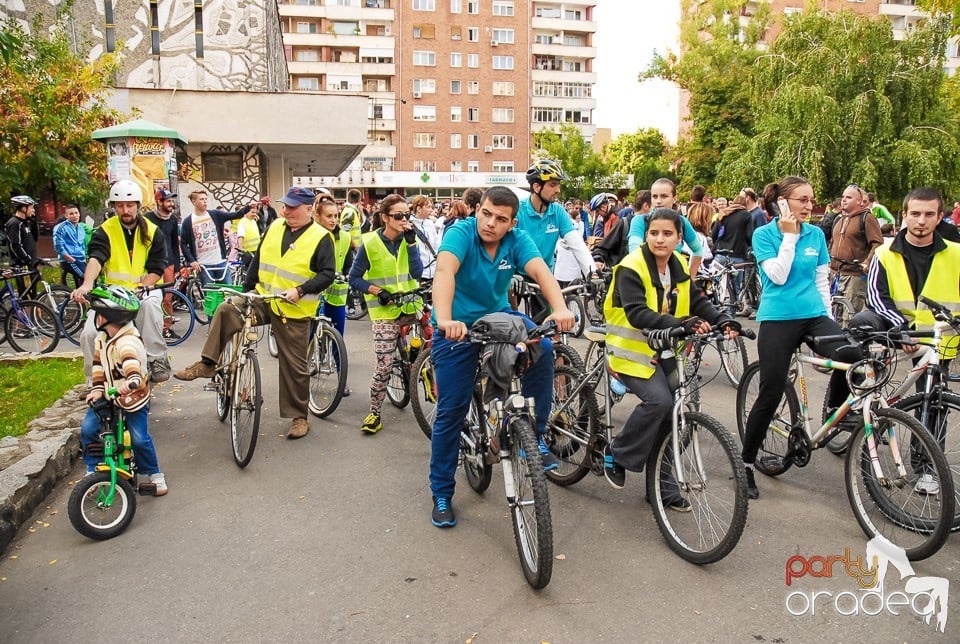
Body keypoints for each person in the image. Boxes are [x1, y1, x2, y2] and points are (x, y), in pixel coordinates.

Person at [428, 186, 575, 527]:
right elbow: (445, 271)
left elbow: (541, 271)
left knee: (544, 348)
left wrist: (560, 308)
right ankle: (441, 493)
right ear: (477, 210)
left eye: (501, 219)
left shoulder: (517, 239)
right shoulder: (461, 232)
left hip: (498, 317)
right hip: (457, 328)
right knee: (452, 409)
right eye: (486, 214)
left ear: (512, 223)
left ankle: (533, 438)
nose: (491, 223)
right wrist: (446, 318)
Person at [174, 186, 335, 439]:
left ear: (308, 209)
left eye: (293, 207)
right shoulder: (274, 227)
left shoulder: (321, 236)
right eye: (286, 206)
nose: (287, 210)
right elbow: (259, 259)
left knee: (295, 365)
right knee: (227, 309)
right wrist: (246, 289)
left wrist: (301, 289)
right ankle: (208, 364)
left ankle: (299, 417)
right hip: (262, 297)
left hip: (293, 307)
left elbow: (327, 274)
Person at [603, 208, 740, 503]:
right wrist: (681, 323)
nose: (660, 239)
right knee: (660, 402)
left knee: (673, 415)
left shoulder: (677, 263)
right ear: (646, 235)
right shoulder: (632, 265)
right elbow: (637, 313)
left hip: (662, 347)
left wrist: (722, 320)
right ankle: (617, 452)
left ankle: (663, 488)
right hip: (630, 351)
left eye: (667, 234)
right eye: (654, 233)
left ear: (680, 238)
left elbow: (696, 298)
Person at [740, 176, 861, 500]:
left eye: (811, 200)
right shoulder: (765, 234)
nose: (810, 206)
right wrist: (790, 238)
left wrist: (830, 322)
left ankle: (834, 411)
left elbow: (822, 281)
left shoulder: (817, 234)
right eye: (802, 200)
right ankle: (747, 463)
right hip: (778, 318)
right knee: (770, 392)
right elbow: (776, 276)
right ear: (783, 203)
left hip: (813, 314)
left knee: (852, 354)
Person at [849, 187, 960, 495]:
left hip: (938, 338)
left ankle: (926, 469)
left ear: (940, 218)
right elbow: (876, 297)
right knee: (858, 325)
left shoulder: (957, 254)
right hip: (897, 329)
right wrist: (902, 327)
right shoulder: (885, 252)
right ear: (904, 215)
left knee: (933, 401)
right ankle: (847, 395)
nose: (921, 221)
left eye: (928, 215)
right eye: (915, 214)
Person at [72, 180, 171, 385]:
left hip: (143, 290)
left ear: (138, 205)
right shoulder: (105, 231)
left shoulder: (153, 232)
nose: (125, 210)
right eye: (119, 206)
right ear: (114, 207)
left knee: (150, 307)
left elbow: (157, 267)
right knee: (89, 333)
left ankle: (156, 358)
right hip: (112, 293)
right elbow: (96, 258)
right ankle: (94, 381)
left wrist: (145, 285)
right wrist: (87, 284)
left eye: (129, 205)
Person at [79, 285, 167, 495]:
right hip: (110, 395)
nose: (96, 318)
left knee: (138, 437)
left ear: (108, 317)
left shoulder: (127, 341)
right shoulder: (102, 339)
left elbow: (131, 364)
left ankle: (154, 474)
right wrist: (97, 389)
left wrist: (132, 381)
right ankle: (92, 468)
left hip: (132, 397)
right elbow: (99, 366)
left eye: (98, 314)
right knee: (88, 429)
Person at [348, 195, 424, 434]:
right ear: (384, 218)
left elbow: (417, 272)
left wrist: (412, 244)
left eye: (407, 215)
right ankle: (374, 412)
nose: (404, 220)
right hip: (384, 310)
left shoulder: (410, 240)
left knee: (438, 346)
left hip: (411, 304)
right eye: (398, 216)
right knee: (385, 365)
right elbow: (354, 278)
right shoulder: (369, 243)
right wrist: (376, 290)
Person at [517, 160, 599, 318]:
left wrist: (592, 272)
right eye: (553, 185)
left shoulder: (557, 212)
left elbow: (576, 243)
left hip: (542, 275)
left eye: (558, 185)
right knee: (507, 319)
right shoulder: (518, 210)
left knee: (548, 326)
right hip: (516, 274)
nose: (558, 190)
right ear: (536, 187)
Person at [312, 193, 353, 396]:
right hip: (313, 294)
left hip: (337, 294)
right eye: (329, 216)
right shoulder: (310, 235)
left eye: (336, 216)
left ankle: (341, 379)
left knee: (338, 339)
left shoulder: (344, 237)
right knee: (309, 335)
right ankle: (304, 374)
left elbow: (348, 262)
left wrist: (347, 274)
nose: (333, 220)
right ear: (317, 216)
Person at [628, 178, 706, 276]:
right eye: (655, 197)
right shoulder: (640, 221)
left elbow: (698, 250)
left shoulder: (681, 222)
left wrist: (690, 279)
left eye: (664, 196)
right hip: (644, 281)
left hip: (673, 283)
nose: (658, 201)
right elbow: (634, 250)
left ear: (674, 198)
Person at [180, 189, 256, 286]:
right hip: (204, 265)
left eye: (206, 199)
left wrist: (248, 207)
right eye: (202, 199)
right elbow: (183, 243)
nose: (205, 201)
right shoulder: (188, 221)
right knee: (210, 295)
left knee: (228, 292)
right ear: (194, 201)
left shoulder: (215, 214)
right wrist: (192, 261)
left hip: (220, 262)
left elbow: (234, 215)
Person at [829, 185, 884, 315]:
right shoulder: (838, 218)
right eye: (843, 197)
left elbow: (878, 243)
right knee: (833, 314)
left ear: (859, 201)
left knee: (850, 315)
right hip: (835, 274)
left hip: (854, 276)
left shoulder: (867, 218)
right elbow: (832, 242)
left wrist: (867, 261)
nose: (844, 200)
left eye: (848, 197)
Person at [144, 189, 182, 341]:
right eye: (168, 201)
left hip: (169, 263)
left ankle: (166, 328)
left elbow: (174, 243)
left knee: (167, 297)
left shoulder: (172, 220)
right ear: (159, 202)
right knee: (150, 297)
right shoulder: (147, 219)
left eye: (172, 201)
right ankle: (149, 327)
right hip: (152, 264)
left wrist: (177, 266)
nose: (171, 204)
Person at [711, 195, 755, 316]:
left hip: (720, 254)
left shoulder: (723, 214)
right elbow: (749, 236)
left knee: (714, 285)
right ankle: (731, 316)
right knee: (735, 289)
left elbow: (714, 234)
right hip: (737, 255)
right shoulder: (746, 215)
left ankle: (715, 311)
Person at [5, 196, 45, 285]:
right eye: (31, 208)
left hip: (30, 264)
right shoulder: (15, 223)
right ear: (23, 208)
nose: (33, 210)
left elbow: (35, 239)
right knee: (28, 297)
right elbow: (15, 245)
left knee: (34, 295)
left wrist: (34, 221)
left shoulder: (25, 223)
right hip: (23, 265)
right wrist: (29, 260)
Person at [53, 204, 92, 288]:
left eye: (76, 213)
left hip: (80, 259)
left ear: (79, 214)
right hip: (70, 260)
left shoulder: (81, 227)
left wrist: (84, 257)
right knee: (85, 278)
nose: (74, 215)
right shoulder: (61, 227)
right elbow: (58, 245)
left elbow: (82, 244)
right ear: (66, 216)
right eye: (71, 214)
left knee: (91, 277)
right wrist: (68, 257)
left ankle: (83, 298)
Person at [410, 195, 442, 280]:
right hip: (418, 273)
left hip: (433, 272)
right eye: (428, 207)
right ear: (419, 209)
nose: (431, 210)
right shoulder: (408, 225)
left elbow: (437, 245)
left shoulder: (430, 224)